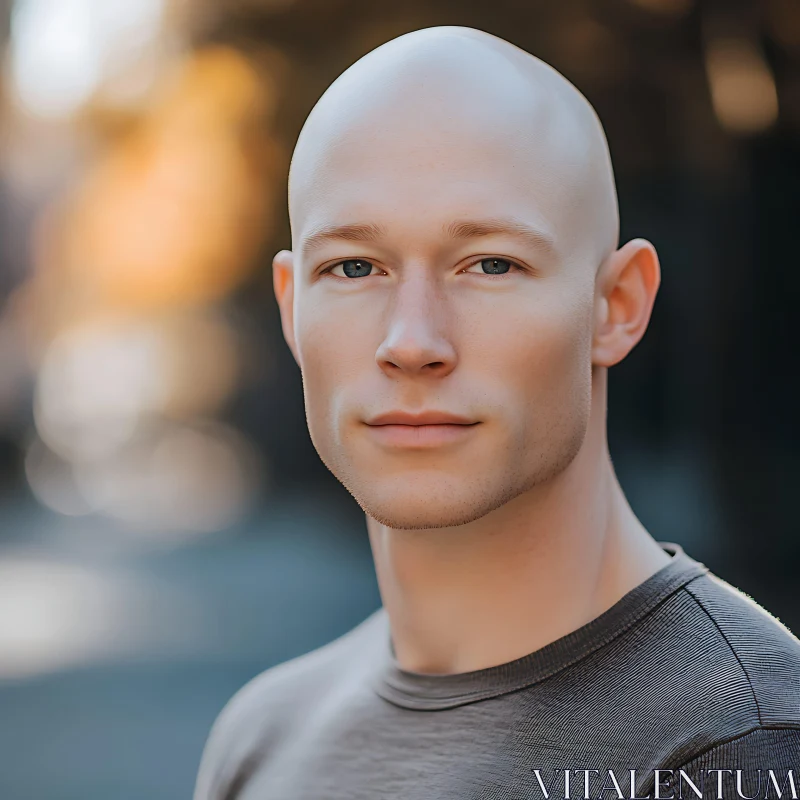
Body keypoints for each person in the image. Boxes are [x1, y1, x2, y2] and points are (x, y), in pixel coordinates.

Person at [193, 26, 800, 800]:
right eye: (353, 267)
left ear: (616, 307)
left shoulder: (740, 746)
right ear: (292, 311)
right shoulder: (262, 740)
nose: (412, 343)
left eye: (490, 264)